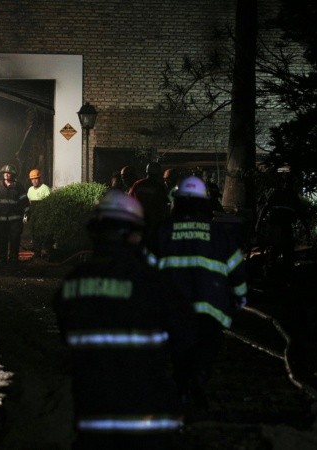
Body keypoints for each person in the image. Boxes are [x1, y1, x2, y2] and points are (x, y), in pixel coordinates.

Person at [53, 190, 188, 449]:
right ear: (133, 233)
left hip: (94, 420)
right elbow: (186, 339)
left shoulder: (72, 284)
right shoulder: (152, 282)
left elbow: (65, 334)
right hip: (150, 422)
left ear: (94, 232)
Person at [146, 175, 248, 412]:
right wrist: (239, 298)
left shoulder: (162, 232)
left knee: (178, 351)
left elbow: (145, 272)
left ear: (176, 202)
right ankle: (197, 382)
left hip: (173, 311)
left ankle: (183, 388)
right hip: (211, 310)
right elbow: (237, 271)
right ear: (205, 203)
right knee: (205, 350)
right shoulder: (219, 233)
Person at [255, 170, 311, 277]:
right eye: (286, 182)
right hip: (276, 226)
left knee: (285, 252)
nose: (287, 185)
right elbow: (265, 208)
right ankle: (271, 273)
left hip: (284, 227)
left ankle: (280, 274)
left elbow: (300, 214)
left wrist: (307, 229)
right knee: (277, 251)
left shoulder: (291, 197)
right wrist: (258, 223)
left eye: (289, 183)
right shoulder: (278, 194)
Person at [0, 164, 29, 264]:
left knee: (15, 239)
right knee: (1, 239)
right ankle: (2, 258)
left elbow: (25, 201)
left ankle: (13, 258)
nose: (7, 175)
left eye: (9, 173)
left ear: (13, 175)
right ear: (3, 174)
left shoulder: (18, 187)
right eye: (5, 173)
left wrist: (27, 213)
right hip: (0, 219)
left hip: (15, 219)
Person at [128, 161, 170, 236]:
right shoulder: (159, 187)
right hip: (153, 221)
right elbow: (163, 204)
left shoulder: (138, 184)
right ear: (159, 173)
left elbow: (130, 199)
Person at [25, 168, 51, 257]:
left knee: (43, 233)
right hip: (33, 215)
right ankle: (37, 252)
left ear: (39, 178)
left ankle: (46, 251)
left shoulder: (45, 188)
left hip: (43, 215)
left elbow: (49, 203)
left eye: (36, 178)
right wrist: (27, 215)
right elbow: (28, 203)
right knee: (34, 232)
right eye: (32, 179)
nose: (34, 181)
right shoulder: (30, 190)